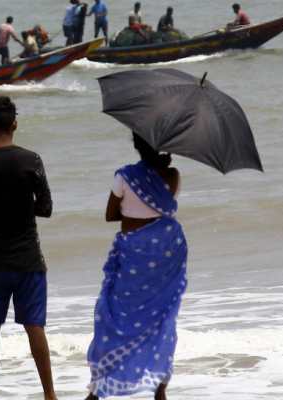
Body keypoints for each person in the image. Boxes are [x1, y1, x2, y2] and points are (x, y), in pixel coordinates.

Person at [84, 133, 188, 400]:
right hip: (166, 253)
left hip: (133, 255)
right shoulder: (174, 176)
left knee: (115, 316)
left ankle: (100, 387)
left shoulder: (124, 176)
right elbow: (165, 211)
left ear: (137, 146)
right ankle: (160, 389)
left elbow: (110, 215)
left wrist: (130, 210)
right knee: (162, 316)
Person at [0, 96, 57, 400]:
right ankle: (50, 395)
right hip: (29, 258)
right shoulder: (31, 160)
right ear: (15, 124)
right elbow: (45, 208)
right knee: (35, 328)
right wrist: (22, 204)